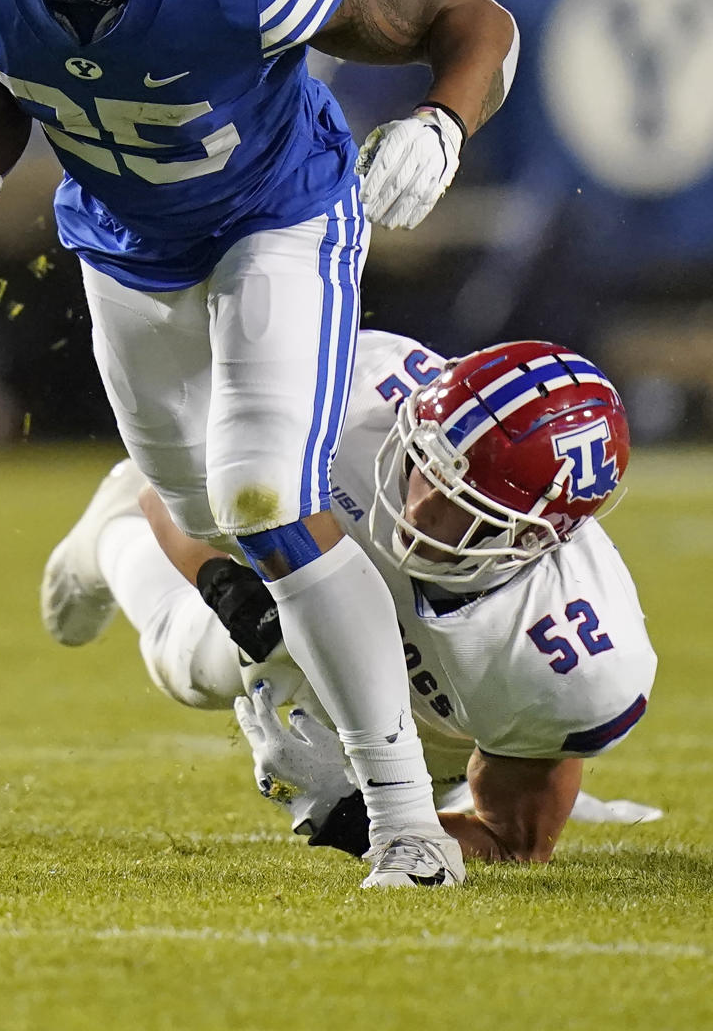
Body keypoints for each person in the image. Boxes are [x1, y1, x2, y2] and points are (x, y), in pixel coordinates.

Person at [0, 0, 519, 886]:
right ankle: (124, 546)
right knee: (204, 587)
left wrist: (439, 122)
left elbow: (471, 19)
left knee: (264, 492)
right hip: (122, 241)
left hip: (279, 216)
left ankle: (405, 818)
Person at [41, 330, 658, 867]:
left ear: (535, 537)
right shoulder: (350, 391)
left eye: (464, 509)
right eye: (423, 467)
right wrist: (220, 584)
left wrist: (341, 813)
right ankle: (109, 541)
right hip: (312, 559)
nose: (417, 511)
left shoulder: (573, 665)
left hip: (446, 722)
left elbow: (510, 842)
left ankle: (448, 781)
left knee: (446, 765)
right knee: (197, 665)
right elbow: (166, 488)